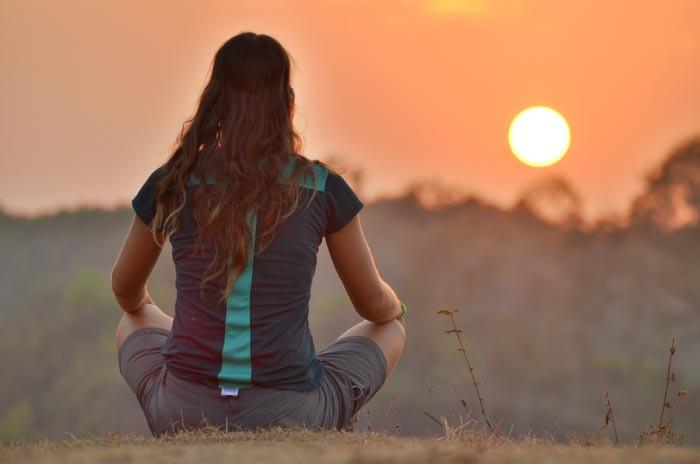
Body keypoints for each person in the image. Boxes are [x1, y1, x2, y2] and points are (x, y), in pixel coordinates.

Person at [110, 31, 407, 437]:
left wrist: (173, 328)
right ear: (286, 100)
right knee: (390, 327)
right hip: (293, 413)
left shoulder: (174, 182)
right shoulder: (321, 186)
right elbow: (373, 305)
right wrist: (395, 306)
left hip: (181, 413)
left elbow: (125, 290)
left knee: (132, 319)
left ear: (214, 97)